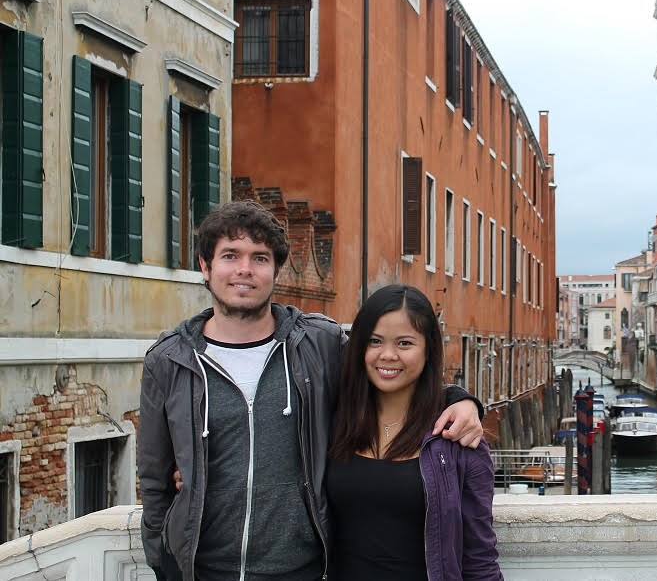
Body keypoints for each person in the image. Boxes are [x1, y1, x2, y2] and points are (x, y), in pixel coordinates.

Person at [138, 200, 483, 581]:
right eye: (230, 255)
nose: (244, 270)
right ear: (205, 266)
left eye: (260, 258)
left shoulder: (319, 344)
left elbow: (390, 365)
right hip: (202, 572)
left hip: (302, 571)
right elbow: (154, 482)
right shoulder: (169, 361)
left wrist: (462, 400)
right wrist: (163, 565)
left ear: (276, 270)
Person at [328, 284, 503, 580]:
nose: (388, 355)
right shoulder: (333, 422)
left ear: (428, 350)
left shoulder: (456, 439)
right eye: (374, 341)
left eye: (405, 343)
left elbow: (479, 558)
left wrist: (463, 401)